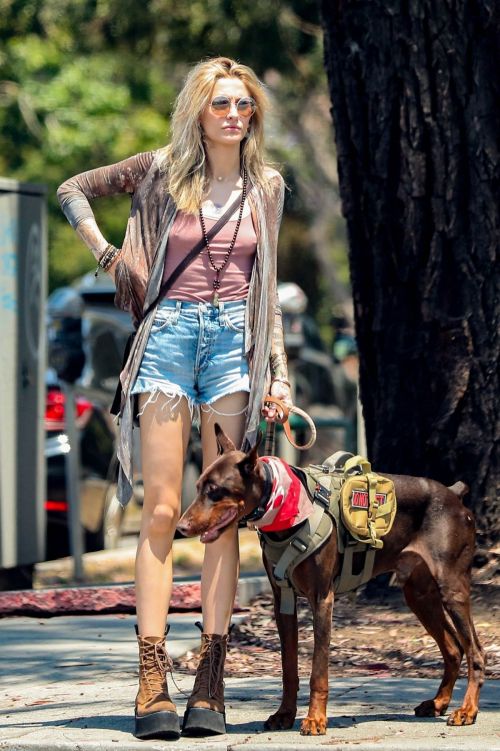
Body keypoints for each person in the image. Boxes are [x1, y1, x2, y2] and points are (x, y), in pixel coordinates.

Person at [57, 57, 292, 740]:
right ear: (198, 110)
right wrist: (109, 256)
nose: (234, 116)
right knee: (164, 508)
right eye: (222, 104)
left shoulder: (267, 186)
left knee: (221, 515)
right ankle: (153, 677)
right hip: (165, 336)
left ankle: (210, 679)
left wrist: (277, 373)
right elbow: (73, 189)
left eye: (245, 106)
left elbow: (267, 286)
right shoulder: (160, 171)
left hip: (232, 345)